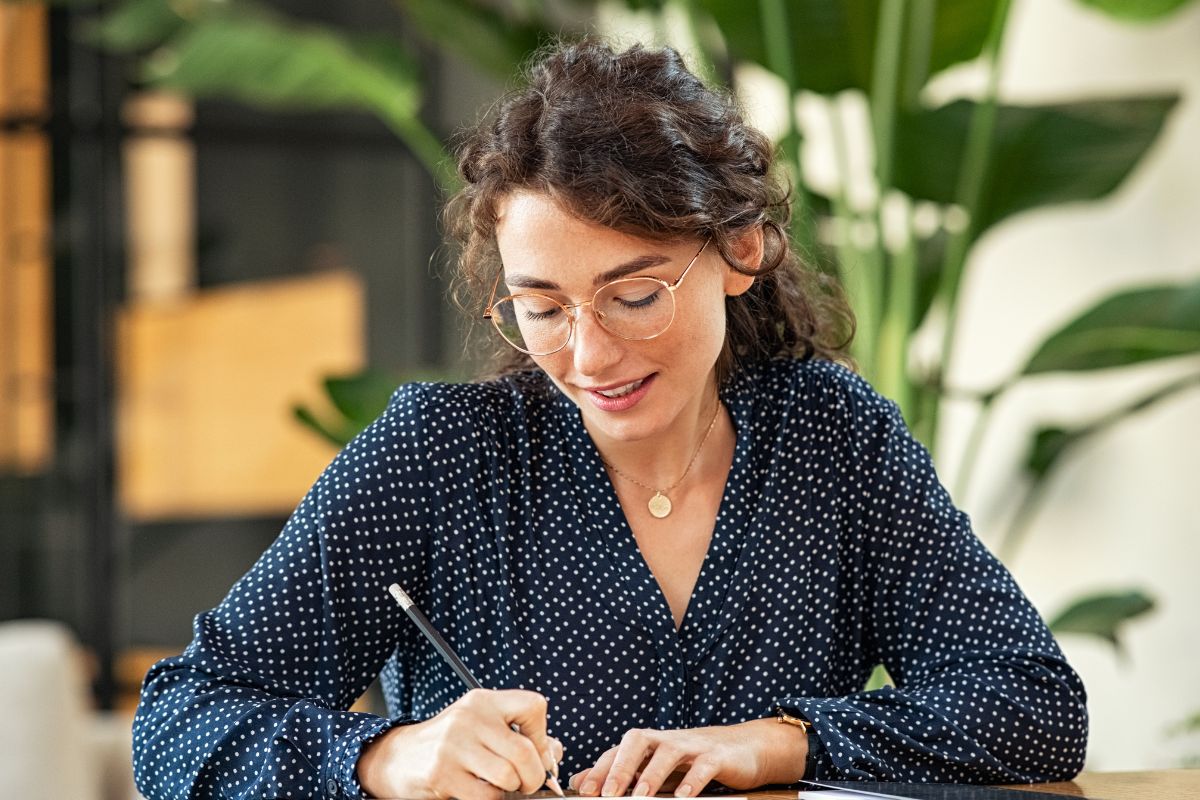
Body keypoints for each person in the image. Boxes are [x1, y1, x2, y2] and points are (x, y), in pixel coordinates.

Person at [132, 39, 1088, 800]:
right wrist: (395, 758)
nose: (589, 357)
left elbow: (1031, 703)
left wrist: (780, 743)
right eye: (543, 307)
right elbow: (179, 725)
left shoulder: (830, 438)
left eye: (634, 297)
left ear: (740, 249)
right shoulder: (438, 456)